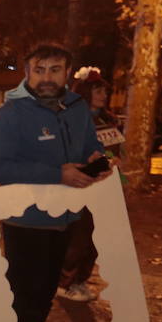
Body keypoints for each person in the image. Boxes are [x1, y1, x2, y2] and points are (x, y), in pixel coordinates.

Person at [0, 43, 110, 322]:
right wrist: (57, 174)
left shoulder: (77, 108)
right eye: (39, 70)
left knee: (44, 295)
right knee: (29, 297)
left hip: (65, 217)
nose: (47, 77)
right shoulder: (10, 114)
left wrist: (95, 160)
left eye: (55, 70)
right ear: (27, 73)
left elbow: (88, 146)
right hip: (25, 220)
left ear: (67, 73)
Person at [57, 70, 122, 301]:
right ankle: (65, 282)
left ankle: (80, 280)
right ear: (85, 92)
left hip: (104, 186)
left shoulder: (108, 119)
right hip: (80, 185)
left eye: (105, 90)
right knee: (78, 235)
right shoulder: (71, 119)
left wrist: (115, 162)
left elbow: (115, 149)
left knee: (96, 237)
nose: (103, 95)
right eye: (98, 90)